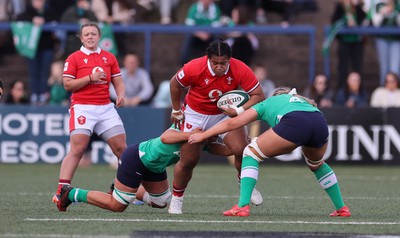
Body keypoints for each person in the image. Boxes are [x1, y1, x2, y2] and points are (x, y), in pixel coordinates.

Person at [188, 86, 351, 217]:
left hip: (295, 122)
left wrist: (204, 134)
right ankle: (341, 208)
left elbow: (233, 124)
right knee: (316, 164)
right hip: (319, 121)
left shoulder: (267, 103)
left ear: (275, 95)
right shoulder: (302, 101)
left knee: (250, 153)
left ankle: (242, 206)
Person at [168, 39, 265, 214]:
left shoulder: (240, 68)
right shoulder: (194, 67)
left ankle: (244, 183)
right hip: (195, 114)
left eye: (223, 63)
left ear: (230, 59)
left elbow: (258, 95)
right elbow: (175, 84)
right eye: (215, 63)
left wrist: (238, 110)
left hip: (223, 115)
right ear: (208, 58)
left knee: (242, 149)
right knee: (189, 160)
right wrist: (176, 110)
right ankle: (176, 199)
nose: (219, 66)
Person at [56, 126, 232, 212]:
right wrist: (194, 134)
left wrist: (249, 147)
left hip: (154, 167)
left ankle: (119, 186)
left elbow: (226, 149)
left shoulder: (205, 139)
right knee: (118, 206)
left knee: (161, 202)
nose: (216, 134)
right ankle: (70, 193)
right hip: (137, 158)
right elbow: (165, 137)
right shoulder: (190, 125)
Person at [53, 22, 127, 203]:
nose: (90, 37)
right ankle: (61, 190)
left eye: (93, 33)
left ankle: (125, 187)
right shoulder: (74, 58)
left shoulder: (109, 57)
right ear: (81, 37)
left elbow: (118, 80)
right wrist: (90, 78)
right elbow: (68, 85)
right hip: (83, 107)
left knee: (122, 150)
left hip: (105, 107)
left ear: (99, 36)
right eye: (86, 34)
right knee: (77, 149)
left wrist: (121, 95)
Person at [16, 0, 58, 104]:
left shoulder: (50, 11)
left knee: (44, 72)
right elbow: (18, 19)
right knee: (33, 72)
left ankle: (43, 94)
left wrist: (44, 20)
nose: (39, 3)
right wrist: (32, 19)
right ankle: (34, 95)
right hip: (32, 48)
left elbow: (56, 19)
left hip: (47, 47)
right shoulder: (28, 12)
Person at [331, 0, 366, 90]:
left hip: (357, 42)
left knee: (358, 67)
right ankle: (341, 90)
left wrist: (360, 7)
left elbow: (364, 19)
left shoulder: (359, 7)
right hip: (344, 42)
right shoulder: (340, 7)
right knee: (343, 68)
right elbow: (334, 22)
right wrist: (346, 21)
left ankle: (359, 90)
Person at [366, 0, 400, 86]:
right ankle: (383, 90)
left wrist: (396, 14)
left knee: (395, 67)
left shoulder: (398, 5)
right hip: (382, 39)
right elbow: (376, 24)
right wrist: (382, 14)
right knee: (384, 68)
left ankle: (396, 92)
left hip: (396, 39)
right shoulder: (379, 5)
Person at [180, 0, 223, 65]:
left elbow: (216, 26)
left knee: (217, 36)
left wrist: (207, 33)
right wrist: (200, 34)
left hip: (210, 34)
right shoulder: (194, 8)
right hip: (196, 35)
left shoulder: (216, 9)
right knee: (188, 35)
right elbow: (189, 25)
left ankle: (217, 59)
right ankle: (184, 62)